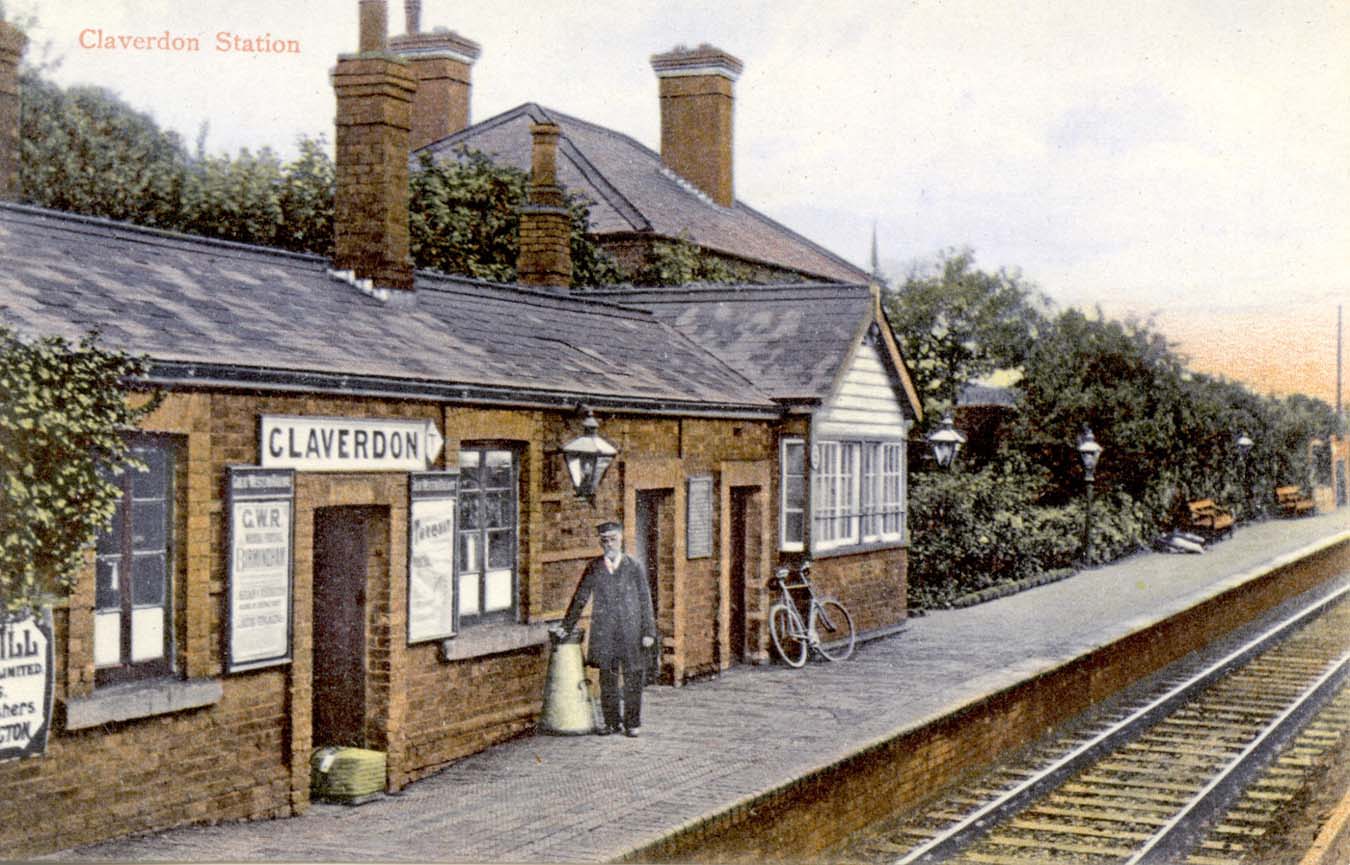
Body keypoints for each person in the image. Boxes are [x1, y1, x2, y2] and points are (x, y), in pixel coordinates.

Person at [559, 520, 657, 737]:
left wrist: (649, 632)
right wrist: (567, 626)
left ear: (621, 539)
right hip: (606, 633)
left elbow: (645, 599)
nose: (609, 544)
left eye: (613, 539)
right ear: (601, 543)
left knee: (633, 677)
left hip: (632, 632)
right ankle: (612, 722)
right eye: (605, 540)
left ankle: (632, 723)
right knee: (607, 678)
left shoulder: (634, 566)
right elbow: (581, 597)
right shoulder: (594, 568)